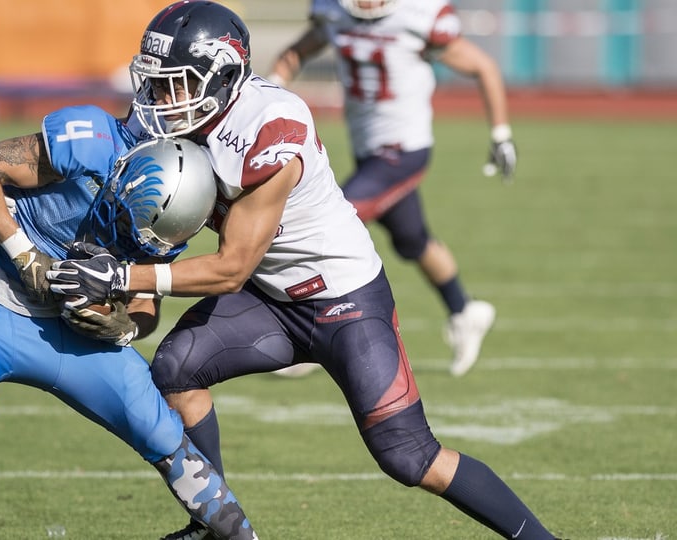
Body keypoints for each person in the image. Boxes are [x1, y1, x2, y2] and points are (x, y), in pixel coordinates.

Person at [47, 2, 555, 539]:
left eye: (179, 85)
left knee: (409, 457)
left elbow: (230, 269)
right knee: (175, 368)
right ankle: (213, 524)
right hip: (271, 300)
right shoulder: (177, 124)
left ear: (221, 77)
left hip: (343, 300)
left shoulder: (268, 127)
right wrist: (125, 314)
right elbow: (156, 244)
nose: (163, 101)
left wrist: (121, 280)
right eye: (158, 84)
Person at [0, 103, 258, 540]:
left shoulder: (173, 219)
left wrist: (123, 326)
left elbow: (143, 304)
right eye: (128, 218)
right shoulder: (90, 142)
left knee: (164, 435)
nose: (130, 237)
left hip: (75, 335)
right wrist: (23, 252)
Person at [267, 0, 517, 378]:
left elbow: (483, 66)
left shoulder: (420, 14)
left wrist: (501, 134)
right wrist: (272, 97)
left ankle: (307, 338)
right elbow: (294, 55)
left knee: (331, 222)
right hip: (368, 151)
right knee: (411, 238)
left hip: (405, 150)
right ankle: (465, 310)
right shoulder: (333, 11)